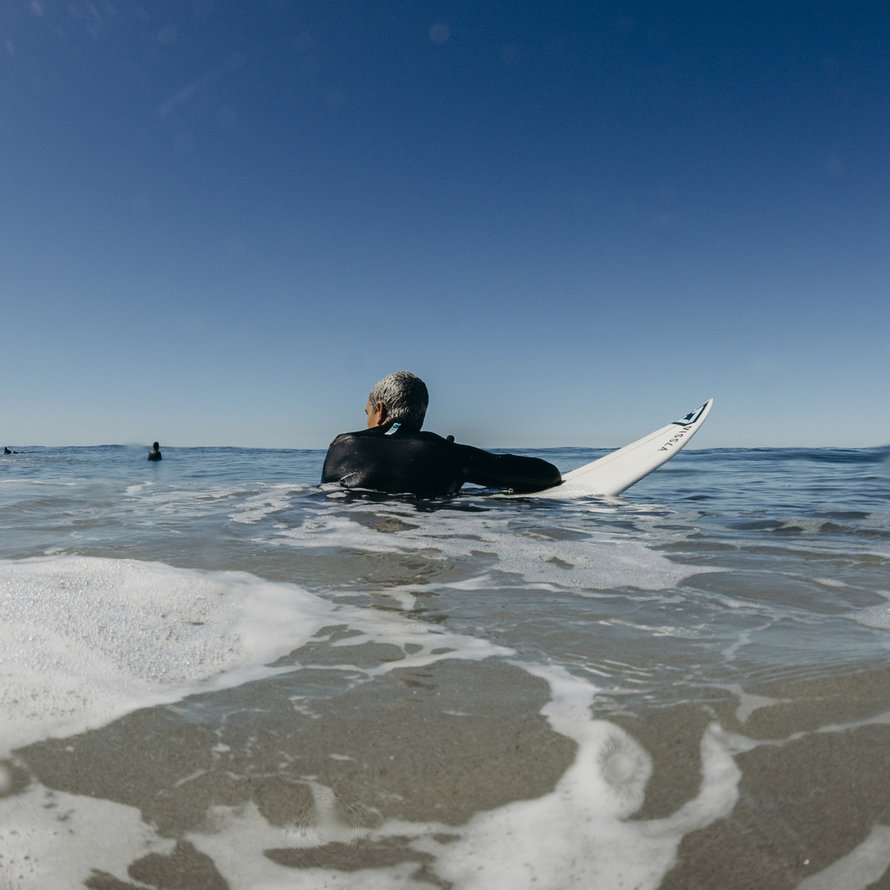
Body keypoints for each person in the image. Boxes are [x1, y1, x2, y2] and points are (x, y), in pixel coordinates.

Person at [322, 371, 562, 498]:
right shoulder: (441, 451)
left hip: (349, 542)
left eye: (367, 412)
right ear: (420, 414)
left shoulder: (340, 445)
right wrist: (456, 459)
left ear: (380, 409)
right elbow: (546, 474)